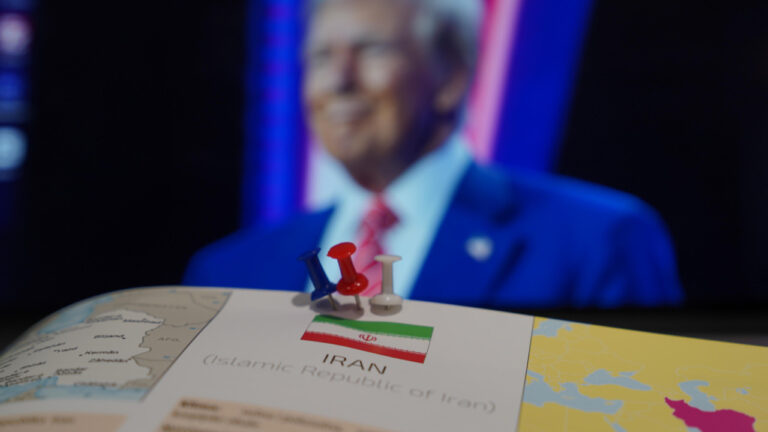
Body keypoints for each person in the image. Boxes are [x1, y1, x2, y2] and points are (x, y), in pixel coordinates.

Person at [184, 0, 683, 308]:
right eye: (320, 57)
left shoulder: (596, 242)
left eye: (371, 50)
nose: (338, 81)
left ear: (452, 77)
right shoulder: (228, 274)